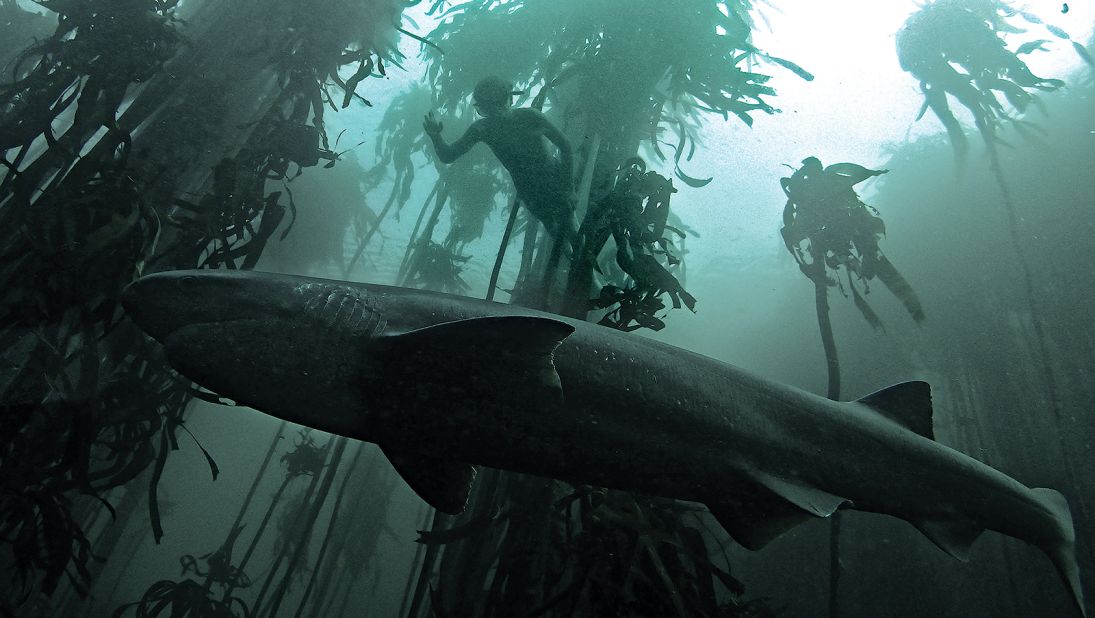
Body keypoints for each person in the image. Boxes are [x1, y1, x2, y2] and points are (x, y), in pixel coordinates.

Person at [423, 76, 576, 302]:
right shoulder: (511, 121)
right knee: (566, 235)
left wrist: (569, 187)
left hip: (546, 188)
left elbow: (565, 146)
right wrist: (436, 136)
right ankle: (582, 276)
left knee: (567, 234)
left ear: (482, 106)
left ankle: (583, 274)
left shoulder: (488, 126)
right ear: (507, 98)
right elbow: (565, 147)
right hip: (538, 191)